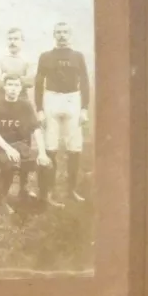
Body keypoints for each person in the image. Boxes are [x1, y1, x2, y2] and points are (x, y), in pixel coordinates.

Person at [34, 22, 90, 205]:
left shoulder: (78, 56)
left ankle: (71, 189)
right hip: (52, 99)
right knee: (50, 147)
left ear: (71, 34)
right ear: (53, 35)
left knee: (74, 148)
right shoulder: (46, 56)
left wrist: (84, 108)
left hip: (73, 100)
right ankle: (47, 191)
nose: (62, 35)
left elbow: (85, 82)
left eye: (65, 32)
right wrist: (40, 110)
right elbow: (38, 83)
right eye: (58, 32)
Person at [0, 74, 52, 214]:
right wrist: (8, 149)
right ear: (4, 87)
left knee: (47, 164)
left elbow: (36, 129)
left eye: (16, 85)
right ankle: (1, 200)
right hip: (1, 147)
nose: (13, 89)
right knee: (8, 164)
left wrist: (42, 153)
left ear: (20, 88)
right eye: (10, 85)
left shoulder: (25, 105)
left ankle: (43, 198)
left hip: (21, 146)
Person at [0, 27, 36, 102]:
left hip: (22, 101)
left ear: (22, 41)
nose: (12, 42)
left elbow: (30, 81)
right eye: (10, 39)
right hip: (2, 101)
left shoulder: (29, 61)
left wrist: (5, 77)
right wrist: (20, 79)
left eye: (16, 39)